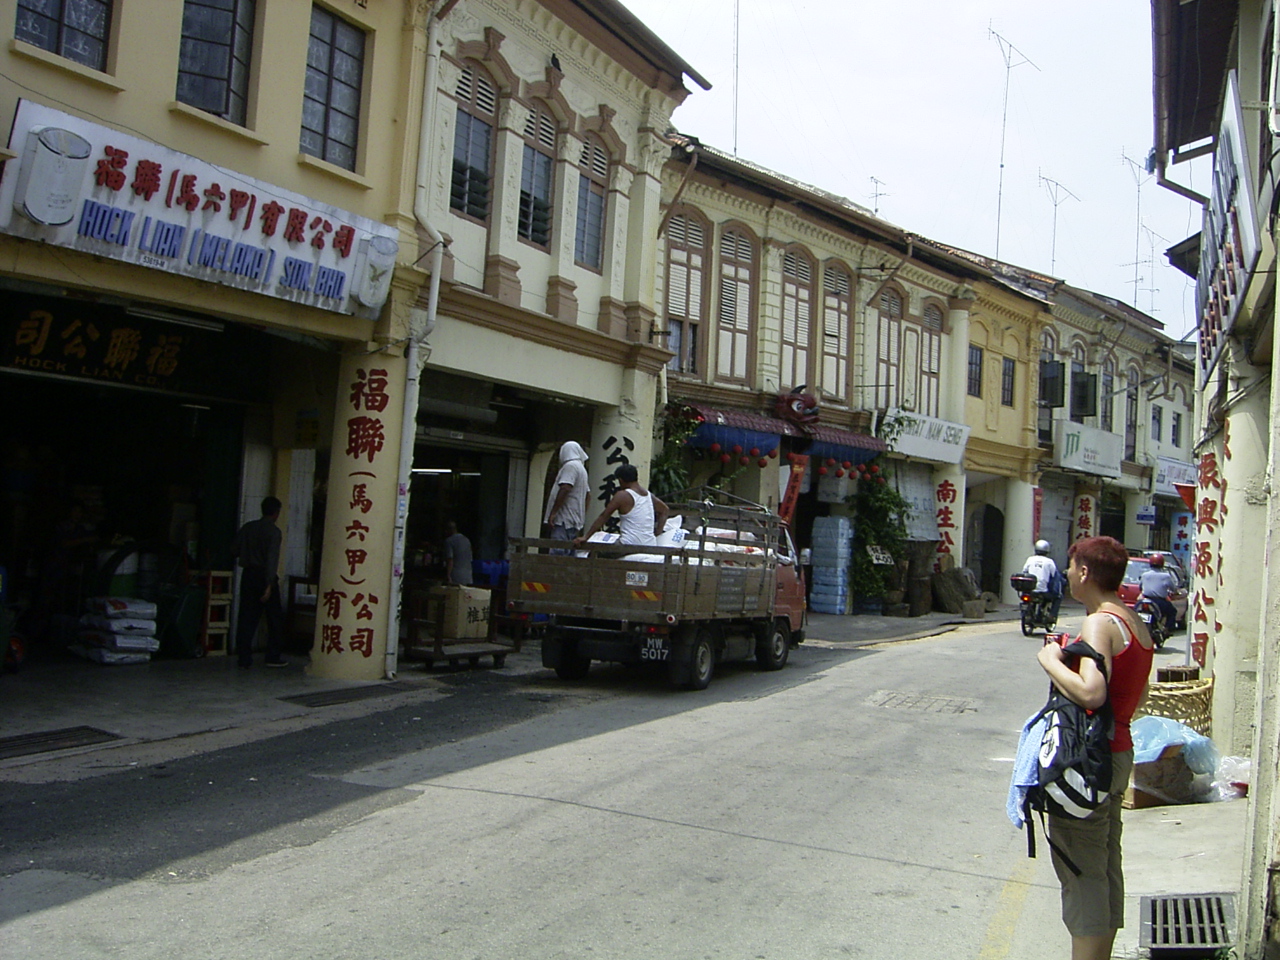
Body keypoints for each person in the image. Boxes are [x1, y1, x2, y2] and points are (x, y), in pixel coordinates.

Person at [1036, 535, 1154, 960]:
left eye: (1070, 567)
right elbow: (1136, 700)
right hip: (1119, 754)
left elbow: (1091, 693)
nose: (1067, 574)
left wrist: (1051, 661)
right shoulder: (1135, 623)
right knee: (1105, 863)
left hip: (1090, 761)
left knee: (1081, 869)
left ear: (1084, 572)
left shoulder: (1099, 623)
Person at [232, 496, 285, 668]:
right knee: (274, 618)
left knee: (247, 617)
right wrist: (269, 585)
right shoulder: (274, 532)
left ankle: (244, 657)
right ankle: (273, 655)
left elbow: (234, 549)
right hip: (264, 576)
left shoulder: (248, 528)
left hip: (248, 574)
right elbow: (272, 560)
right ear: (276, 513)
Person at [575, 464, 669, 547]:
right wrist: (657, 533)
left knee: (596, 554)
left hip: (629, 544)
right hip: (649, 544)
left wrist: (586, 537)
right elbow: (665, 510)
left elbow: (604, 516)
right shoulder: (648, 495)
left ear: (621, 480)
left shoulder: (622, 495)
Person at [543, 441, 590, 553]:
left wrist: (554, 512)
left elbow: (565, 488)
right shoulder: (581, 469)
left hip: (563, 519)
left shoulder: (570, 466)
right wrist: (582, 513)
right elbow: (588, 495)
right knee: (569, 553)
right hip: (574, 520)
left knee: (558, 553)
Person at [1021, 539, 1063, 623]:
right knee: (1058, 597)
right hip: (1042, 590)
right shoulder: (1049, 562)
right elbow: (1054, 576)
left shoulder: (1030, 559)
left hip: (1029, 590)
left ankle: (1028, 614)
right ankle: (1052, 616)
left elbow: (1024, 571)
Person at [1138, 553, 1179, 634]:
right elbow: (1173, 589)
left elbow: (1140, 587)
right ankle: (1167, 629)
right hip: (1159, 602)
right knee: (1173, 611)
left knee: (1136, 612)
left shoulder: (1145, 575)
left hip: (1144, 600)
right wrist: (1175, 592)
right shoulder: (1166, 576)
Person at [443, 521, 473, 586]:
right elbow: (470, 558)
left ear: (449, 530)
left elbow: (450, 560)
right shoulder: (466, 540)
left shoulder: (449, 541)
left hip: (456, 576)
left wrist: (448, 575)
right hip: (468, 576)